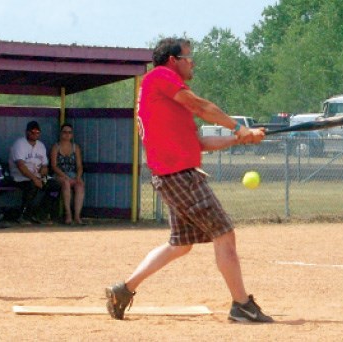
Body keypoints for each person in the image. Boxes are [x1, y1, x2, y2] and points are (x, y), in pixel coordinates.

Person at [105, 38, 273, 323]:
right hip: (180, 176)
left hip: (173, 174)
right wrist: (238, 126)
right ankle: (242, 305)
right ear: (172, 60)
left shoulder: (167, 98)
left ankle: (124, 290)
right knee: (224, 233)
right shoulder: (161, 76)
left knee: (180, 245)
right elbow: (201, 106)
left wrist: (238, 139)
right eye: (188, 56)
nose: (192, 61)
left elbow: (197, 142)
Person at [8, 120, 56, 224]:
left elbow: (45, 164)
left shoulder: (41, 145)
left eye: (37, 132)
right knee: (32, 185)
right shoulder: (19, 144)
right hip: (21, 176)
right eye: (32, 132)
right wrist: (35, 179)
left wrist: (44, 170)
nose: (35, 134)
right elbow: (21, 166)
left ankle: (41, 213)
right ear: (27, 132)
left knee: (55, 185)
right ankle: (23, 215)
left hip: (37, 175)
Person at [50, 123, 85, 225]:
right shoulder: (56, 147)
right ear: (61, 134)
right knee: (66, 184)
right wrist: (65, 176)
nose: (67, 134)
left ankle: (77, 216)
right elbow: (54, 166)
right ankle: (68, 214)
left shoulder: (76, 148)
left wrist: (78, 177)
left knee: (80, 185)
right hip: (60, 175)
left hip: (73, 174)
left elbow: (79, 166)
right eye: (64, 132)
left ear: (72, 135)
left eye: (69, 132)